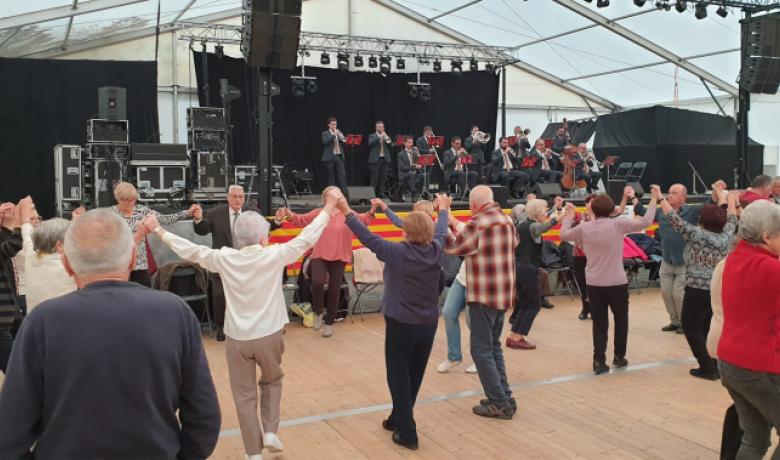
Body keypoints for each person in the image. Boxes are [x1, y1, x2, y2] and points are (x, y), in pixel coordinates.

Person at [0, 209, 220, 458]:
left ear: (67, 264)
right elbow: (204, 419)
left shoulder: (41, 323)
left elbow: (9, 433)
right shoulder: (175, 313)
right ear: (132, 258)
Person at [147, 189, 341, 460]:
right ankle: (271, 431)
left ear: (238, 238)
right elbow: (307, 236)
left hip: (237, 339)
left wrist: (158, 230)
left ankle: (253, 453)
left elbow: (191, 249)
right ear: (264, 237)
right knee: (272, 381)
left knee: (244, 396)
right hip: (270, 335)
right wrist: (329, 207)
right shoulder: (274, 255)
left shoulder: (226, 257)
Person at [340, 193, 450, 450]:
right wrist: (443, 209)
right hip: (429, 323)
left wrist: (346, 210)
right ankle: (398, 417)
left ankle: (408, 432)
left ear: (406, 232)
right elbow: (442, 231)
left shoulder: (397, 252)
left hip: (402, 323)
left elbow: (367, 237)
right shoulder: (435, 249)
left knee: (398, 374)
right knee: (415, 373)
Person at [560, 187, 659, 375]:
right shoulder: (618, 225)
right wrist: (654, 199)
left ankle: (599, 360)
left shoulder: (584, 228)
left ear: (593, 210)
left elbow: (564, 235)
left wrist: (568, 216)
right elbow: (647, 221)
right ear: (611, 209)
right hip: (617, 281)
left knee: (599, 323)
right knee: (621, 320)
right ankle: (619, 356)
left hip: (594, 283)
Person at [446, 185, 518, 419]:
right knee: (494, 346)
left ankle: (499, 402)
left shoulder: (478, 222)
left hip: (483, 294)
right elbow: (514, 243)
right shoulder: (506, 219)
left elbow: (454, 246)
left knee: (481, 351)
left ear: (474, 205)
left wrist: (442, 221)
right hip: (502, 294)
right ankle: (504, 396)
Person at [717, 200, 780, 460]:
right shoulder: (769, 269)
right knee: (755, 436)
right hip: (758, 367)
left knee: (754, 437)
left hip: (731, 362)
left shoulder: (736, 259)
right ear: (766, 236)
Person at [660, 186, 739, 380]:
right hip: (716, 289)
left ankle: (707, 367)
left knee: (690, 326)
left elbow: (674, 219)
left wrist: (660, 198)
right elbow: (733, 218)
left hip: (696, 288)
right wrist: (730, 200)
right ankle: (714, 364)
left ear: (702, 221)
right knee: (706, 327)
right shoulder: (726, 236)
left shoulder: (697, 234)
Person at [193, 185, 283, 341]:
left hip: (247, 262)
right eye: (234, 196)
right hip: (224, 262)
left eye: (240, 197)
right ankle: (221, 326)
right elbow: (202, 230)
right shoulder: (216, 213)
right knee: (220, 294)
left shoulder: (251, 212)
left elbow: (264, 228)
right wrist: (198, 218)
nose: (237, 200)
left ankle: (254, 324)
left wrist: (276, 220)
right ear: (228, 197)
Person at [284, 187, 376, 337]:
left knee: (334, 289)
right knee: (318, 283)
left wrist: (372, 209)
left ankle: (329, 323)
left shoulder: (348, 213)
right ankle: (318, 312)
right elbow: (301, 220)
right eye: (329, 195)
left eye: (336, 194)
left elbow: (365, 220)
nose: (333, 196)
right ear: (325, 198)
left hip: (339, 256)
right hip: (320, 254)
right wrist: (290, 215)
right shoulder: (319, 213)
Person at [109, 181, 196, 287]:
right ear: (117, 198)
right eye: (124, 200)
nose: (129, 203)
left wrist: (187, 213)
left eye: (132, 199)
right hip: (119, 265)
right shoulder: (110, 215)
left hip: (140, 265)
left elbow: (164, 219)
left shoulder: (142, 211)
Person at [507, 198, 562, 350]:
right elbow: (544, 226)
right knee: (534, 305)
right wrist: (560, 217)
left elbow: (540, 219)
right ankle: (518, 337)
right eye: (545, 210)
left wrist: (554, 208)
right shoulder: (534, 227)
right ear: (538, 213)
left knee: (525, 303)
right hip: (528, 268)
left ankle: (513, 336)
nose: (546, 212)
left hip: (517, 266)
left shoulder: (522, 222)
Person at [20, 197, 76, 311]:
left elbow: (26, 234)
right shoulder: (70, 267)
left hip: (34, 325)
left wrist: (25, 218)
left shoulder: (31, 259)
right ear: (59, 245)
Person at [0, 200, 23, 373]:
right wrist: (14, 225)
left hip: (11, 315)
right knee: (15, 373)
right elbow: (12, 246)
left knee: (20, 369)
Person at [321, 117, 348, 194]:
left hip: (339, 156)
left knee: (342, 175)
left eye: (335, 124)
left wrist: (342, 137)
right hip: (330, 157)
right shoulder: (325, 133)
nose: (334, 126)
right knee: (331, 176)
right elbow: (325, 142)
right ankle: (332, 193)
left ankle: (344, 192)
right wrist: (333, 135)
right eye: (332, 124)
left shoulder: (339, 132)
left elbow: (345, 143)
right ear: (329, 125)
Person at [368, 120, 393, 198]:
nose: (381, 128)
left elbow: (391, 145)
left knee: (383, 177)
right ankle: (372, 193)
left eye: (382, 126)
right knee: (374, 177)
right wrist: (379, 137)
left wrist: (387, 139)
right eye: (379, 126)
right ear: (376, 128)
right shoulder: (372, 136)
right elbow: (370, 143)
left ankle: (381, 193)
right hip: (376, 159)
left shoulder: (386, 136)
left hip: (385, 159)